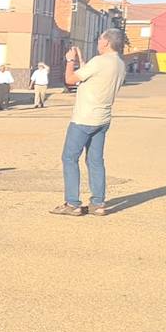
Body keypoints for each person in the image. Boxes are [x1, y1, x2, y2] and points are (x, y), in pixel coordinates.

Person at [51, 29, 127, 217]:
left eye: (100, 39)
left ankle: (72, 203)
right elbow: (90, 76)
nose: (98, 42)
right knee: (95, 161)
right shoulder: (119, 64)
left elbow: (70, 80)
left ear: (107, 42)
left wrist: (70, 60)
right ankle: (98, 203)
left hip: (84, 118)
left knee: (69, 158)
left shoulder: (99, 61)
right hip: (103, 118)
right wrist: (81, 59)